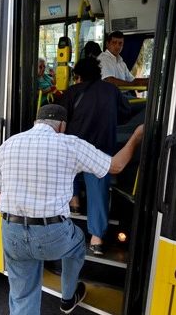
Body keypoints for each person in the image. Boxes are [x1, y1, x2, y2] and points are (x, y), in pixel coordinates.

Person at [0, 104, 143, 315]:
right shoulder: (70, 144)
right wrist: (136, 137)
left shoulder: (10, 143)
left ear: (35, 123)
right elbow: (116, 166)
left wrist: (14, 218)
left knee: (22, 295)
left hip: (11, 230)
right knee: (77, 242)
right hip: (52, 234)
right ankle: (68, 297)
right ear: (62, 126)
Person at [60, 57, 132, 255]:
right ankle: (97, 239)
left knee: (68, 169)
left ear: (78, 76)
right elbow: (126, 114)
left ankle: (74, 203)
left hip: (76, 147)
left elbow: (62, 121)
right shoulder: (112, 90)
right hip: (101, 149)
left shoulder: (72, 92)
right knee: (98, 190)